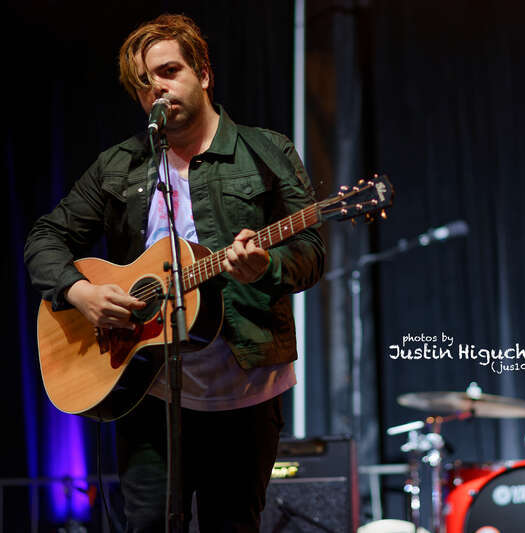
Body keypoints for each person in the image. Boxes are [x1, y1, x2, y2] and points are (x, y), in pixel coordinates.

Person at [24, 14, 325, 531]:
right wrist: (80, 293)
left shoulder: (267, 152)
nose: (156, 90)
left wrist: (265, 266)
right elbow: (44, 239)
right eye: (144, 83)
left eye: (168, 72)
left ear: (203, 73)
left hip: (245, 390)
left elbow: (312, 252)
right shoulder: (117, 165)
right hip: (148, 389)